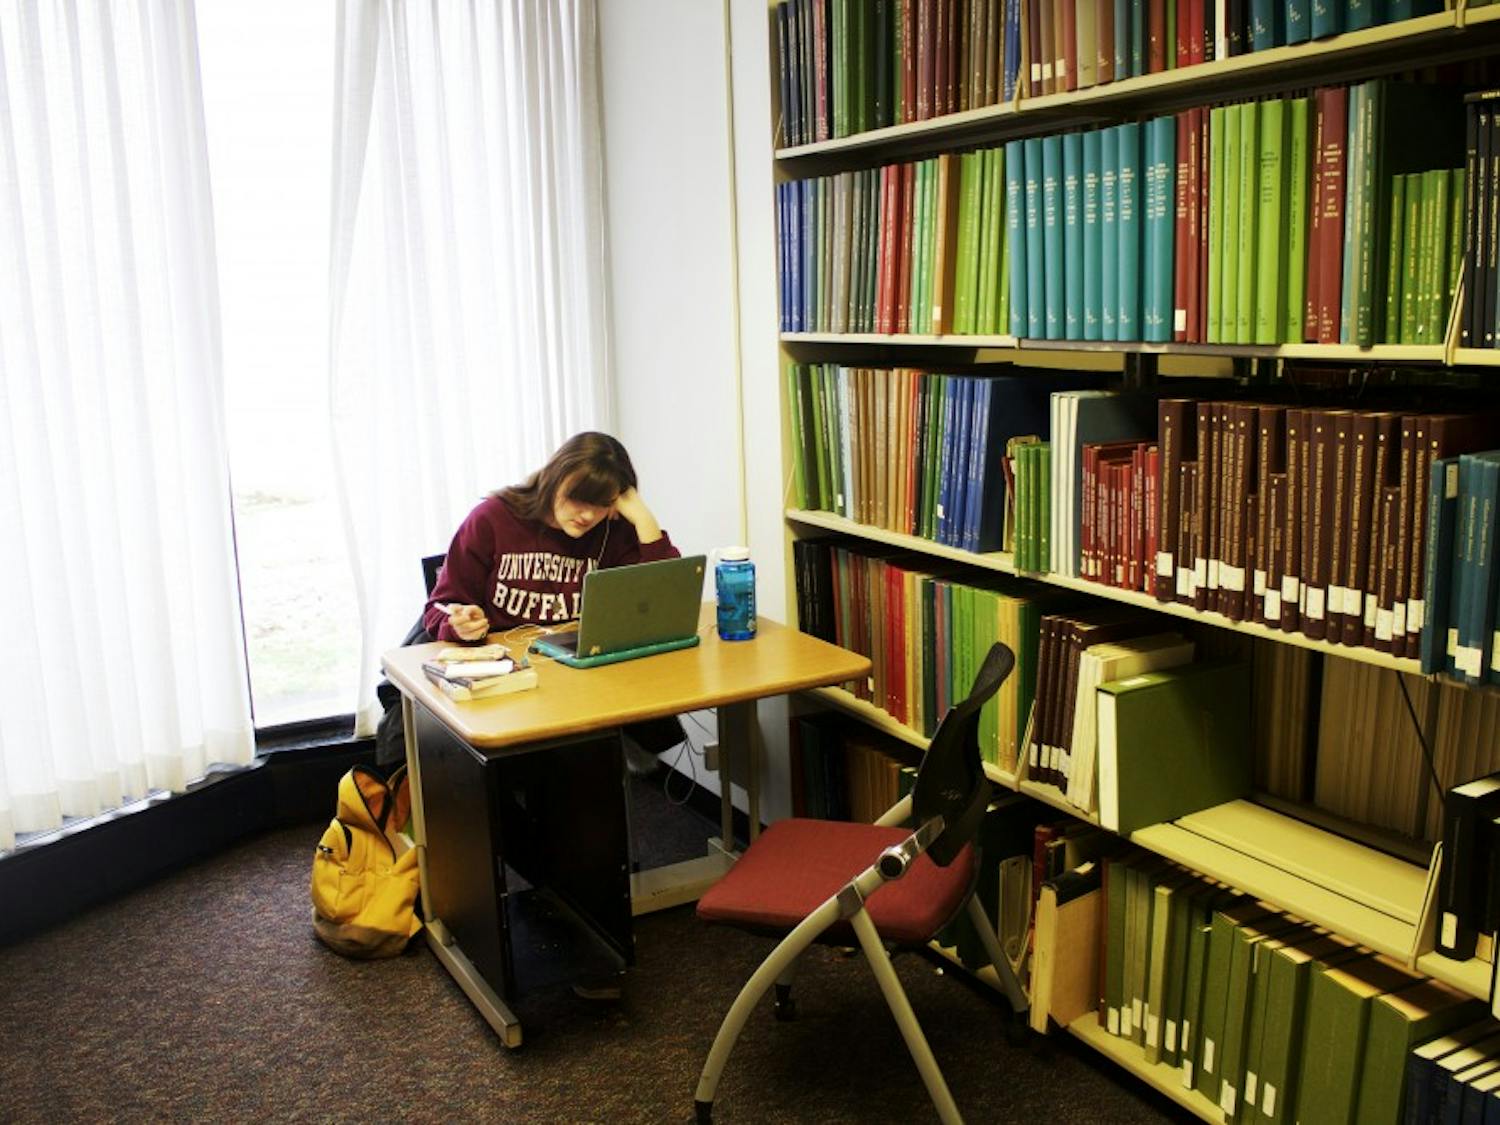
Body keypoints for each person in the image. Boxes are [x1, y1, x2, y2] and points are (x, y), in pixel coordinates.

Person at [374, 431, 686, 770]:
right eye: (577, 498)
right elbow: (439, 606)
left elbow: (663, 600)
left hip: (575, 682)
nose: (586, 514)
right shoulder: (492, 519)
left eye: (601, 504)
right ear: (553, 478)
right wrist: (459, 623)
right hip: (503, 684)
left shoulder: (612, 532)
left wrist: (643, 517)